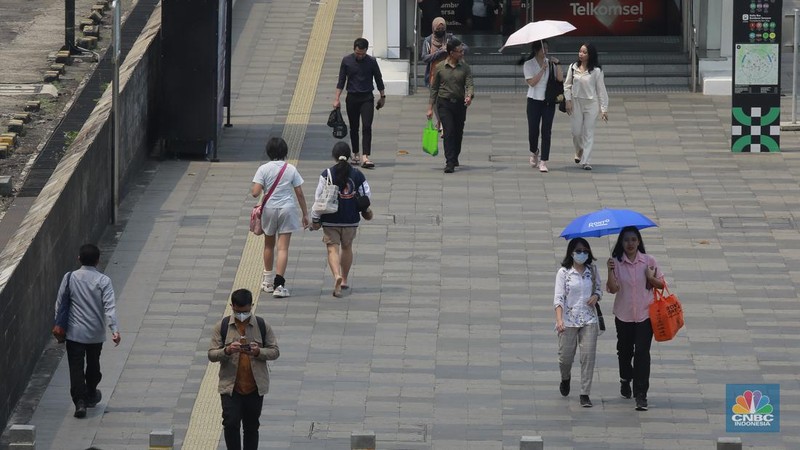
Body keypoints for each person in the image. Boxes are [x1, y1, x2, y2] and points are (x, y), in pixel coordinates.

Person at [54, 243, 121, 418]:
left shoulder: (70, 277)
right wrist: (114, 329)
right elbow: (110, 307)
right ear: (98, 261)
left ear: (79, 259)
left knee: (75, 368)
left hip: (74, 334)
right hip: (95, 334)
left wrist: (60, 327)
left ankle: (80, 402)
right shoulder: (104, 281)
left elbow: (60, 304)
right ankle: (91, 392)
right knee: (93, 365)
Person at [208, 289, 280, 450]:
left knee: (251, 427)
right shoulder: (223, 326)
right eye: (238, 311)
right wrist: (227, 351)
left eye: (246, 311)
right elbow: (212, 354)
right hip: (230, 387)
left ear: (252, 306)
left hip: (255, 387)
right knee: (230, 423)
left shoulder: (261, 325)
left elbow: (275, 351)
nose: (242, 315)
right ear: (231, 306)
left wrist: (258, 352)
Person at [606, 226, 665, 411]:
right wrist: (609, 271)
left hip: (645, 316)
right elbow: (613, 289)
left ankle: (641, 394)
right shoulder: (616, 262)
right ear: (621, 243)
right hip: (623, 316)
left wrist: (650, 276)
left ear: (639, 241)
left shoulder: (649, 261)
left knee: (642, 353)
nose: (630, 243)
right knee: (624, 352)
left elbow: (661, 284)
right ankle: (625, 378)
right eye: (626, 240)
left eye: (633, 239)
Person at [310, 142, 372, 297]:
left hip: (331, 218)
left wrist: (315, 220)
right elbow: (366, 196)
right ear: (350, 155)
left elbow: (318, 199)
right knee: (347, 247)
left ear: (334, 156)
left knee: (332, 248)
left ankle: (336, 275)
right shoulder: (357, 174)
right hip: (351, 219)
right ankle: (344, 279)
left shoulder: (327, 174)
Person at [251, 137, 308, 298]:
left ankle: (267, 281)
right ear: (285, 152)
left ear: (269, 152)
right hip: (287, 209)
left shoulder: (263, 169)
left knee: (269, 245)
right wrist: (305, 214)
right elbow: (300, 193)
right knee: (283, 248)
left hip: (269, 209)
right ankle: (279, 285)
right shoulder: (290, 169)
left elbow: (255, 193)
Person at [554, 238, 602, 408]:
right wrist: (559, 320)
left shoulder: (593, 271)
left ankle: (584, 393)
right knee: (565, 358)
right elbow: (558, 298)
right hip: (568, 321)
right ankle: (565, 378)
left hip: (589, 319)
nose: (582, 254)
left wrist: (596, 296)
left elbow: (598, 289)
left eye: (585, 251)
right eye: (578, 251)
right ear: (571, 253)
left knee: (588, 357)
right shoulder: (564, 273)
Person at [334, 38, 386, 169]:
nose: (360, 56)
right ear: (354, 49)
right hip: (352, 97)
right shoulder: (347, 61)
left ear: (366, 51)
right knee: (354, 127)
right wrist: (336, 98)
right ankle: (356, 153)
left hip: (367, 98)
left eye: (362, 53)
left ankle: (365, 156)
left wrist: (382, 96)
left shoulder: (371, 62)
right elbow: (341, 81)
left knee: (367, 126)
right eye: (358, 53)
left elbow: (378, 79)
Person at [426, 38, 474, 174]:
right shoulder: (440, 67)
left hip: (459, 104)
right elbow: (434, 89)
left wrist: (469, 96)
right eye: (459, 51)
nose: (462, 54)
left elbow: (469, 83)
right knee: (449, 131)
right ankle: (449, 162)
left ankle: (455, 155)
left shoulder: (465, 67)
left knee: (458, 133)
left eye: (462, 51)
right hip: (444, 104)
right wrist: (430, 107)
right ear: (451, 53)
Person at [564, 43, 608, 171]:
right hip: (576, 102)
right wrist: (568, 100)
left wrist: (604, 109)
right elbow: (567, 85)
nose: (581, 54)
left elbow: (601, 91)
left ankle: (586, 161)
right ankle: (579, 150)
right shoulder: (573, 67)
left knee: (588, 132)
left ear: (590, 55)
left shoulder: (597, 71)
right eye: (580, 51)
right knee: (576, 132)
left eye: (584, 52)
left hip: (591, 104)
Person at [523, 40, 563, 173]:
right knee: (533, 131)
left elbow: (559, 79)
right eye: (542, 48)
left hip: (548, 101)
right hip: (534, 101)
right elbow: (532, 83)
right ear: (536, 50)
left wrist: (557, 64)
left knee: (546, 131)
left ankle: (543, 161)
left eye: (546, 48)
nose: (545, 51)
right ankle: (534, 151)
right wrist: (542, 69)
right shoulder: (528, 64)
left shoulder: (550, 62)